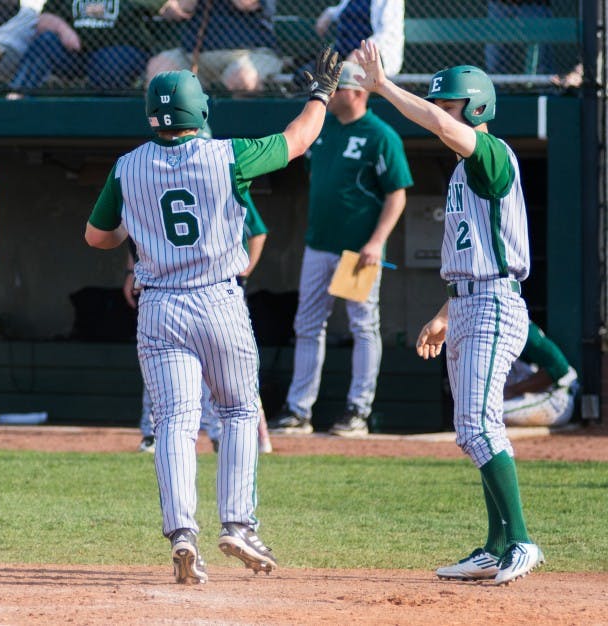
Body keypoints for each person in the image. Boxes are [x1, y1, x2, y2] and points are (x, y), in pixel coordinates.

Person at [85, 48, 342, 584]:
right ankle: (238, 525)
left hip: (159, 305)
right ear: (199, 112)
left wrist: (139, 226)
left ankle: (183, 535)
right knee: (239, 412)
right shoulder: (227, 155)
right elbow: (298, 139)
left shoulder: (127, 166)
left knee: (174, 422)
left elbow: (96, 237)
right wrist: (320, 94)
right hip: (218, 299)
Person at [355, 39, 544, 584]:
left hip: (493, 304)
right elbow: (476, 255)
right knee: (471, 429)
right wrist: (444, 311)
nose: (445, 113)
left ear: (477, 107)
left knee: (480, 423)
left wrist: (384, 87)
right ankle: (494, 546)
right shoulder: (463, 173)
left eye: (453, 105)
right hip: (467, 302)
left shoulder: (491, 155)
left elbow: (439, 125)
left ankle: (522, 541)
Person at [271, 61, 412, 437]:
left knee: (363, 326)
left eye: (338, 89)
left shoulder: (380, 135)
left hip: (356, 252)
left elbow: (396, 195)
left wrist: (376, 242)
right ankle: (299, 410)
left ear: (358, 92)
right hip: (319, 245)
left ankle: (357, 411)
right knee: (307, 326)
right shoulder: (323, 128)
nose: (329, 95)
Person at [130, 187, 273, 454]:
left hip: (215, 289)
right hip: (175, 290)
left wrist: (245, 272)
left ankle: (235, 435)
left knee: (228, 375)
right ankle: (155, 432)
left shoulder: (225, 179)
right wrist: (132, 268)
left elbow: (258, 232)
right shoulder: (155, 178)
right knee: (170, 373)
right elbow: (135, 232)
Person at [7, 0, 171, 94]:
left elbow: (165, 7)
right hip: (76, 53)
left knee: (108, 65)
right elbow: (44, 18)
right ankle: (18, 94)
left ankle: (104, 116)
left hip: (120, 50)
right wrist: (63, 30)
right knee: (46, 41)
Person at [144, 0, 283, 93]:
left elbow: (245, 3)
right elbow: (180, 7)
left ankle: (241, 133)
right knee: (160, 72)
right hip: (193, 57)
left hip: (251, 53)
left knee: (240, 78)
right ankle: (177, 134)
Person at [503, 321, 579, 427]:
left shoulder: (522, 330)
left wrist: (512, 390)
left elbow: (559, 368)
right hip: (526, 396)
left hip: (554, 397)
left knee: (488, 415)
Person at [314, 0, 404, 76]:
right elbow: (341, 9)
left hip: (373, 56)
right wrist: (328, 13)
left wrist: (362, 52)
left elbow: (388, 32)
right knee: (310, 73)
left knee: (344, 77)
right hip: (343, 52)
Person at [485, 0, 552, 75]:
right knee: (495, 63)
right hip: (499, 5)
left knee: (541, 64)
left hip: (536, 5)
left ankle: (543, 85)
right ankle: (495, 85)